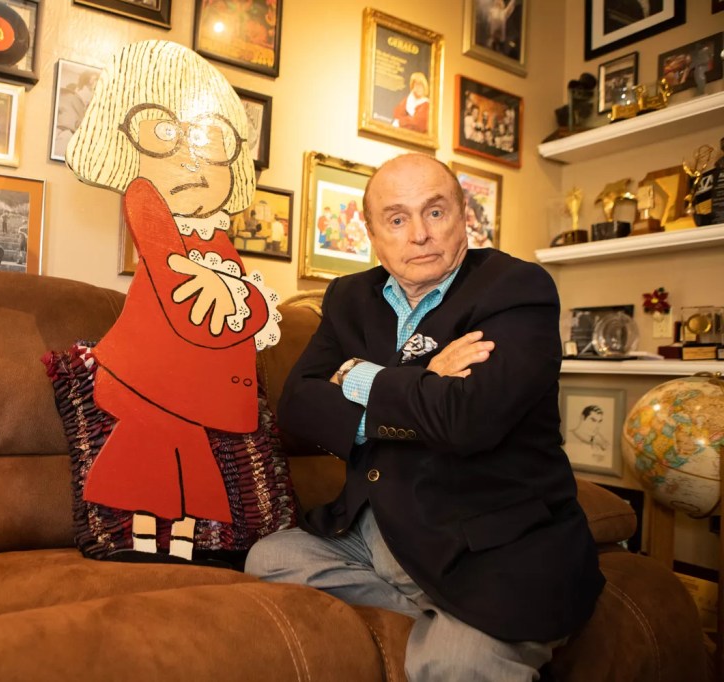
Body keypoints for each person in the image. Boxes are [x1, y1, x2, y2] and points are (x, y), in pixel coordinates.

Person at [245, 154, 604, 681]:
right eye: (396, 219)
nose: (419, 234)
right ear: (372, 234)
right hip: (374, 529)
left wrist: (357, 376)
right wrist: (425, 379)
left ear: (463, 215)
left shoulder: (516, 289)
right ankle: (431, 612)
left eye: (435, 212)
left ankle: (455, 625)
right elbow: (298, 407)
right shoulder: (349, 296)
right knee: (270, 559)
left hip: (487, 545)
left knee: (453, 665)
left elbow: (466, 420)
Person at [65, 40, 280, 562]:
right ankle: (142, 542)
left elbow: (248, 308)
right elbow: (194, 310)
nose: (190, 155)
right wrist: (237, 299)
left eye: (211, 138)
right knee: (152, 460)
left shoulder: (216, 239)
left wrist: (236, 294)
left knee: (189, 465)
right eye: (163, 132)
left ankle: (184, 545)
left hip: (194, 392)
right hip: (152, 383)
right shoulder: (148, 210)